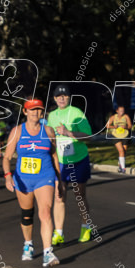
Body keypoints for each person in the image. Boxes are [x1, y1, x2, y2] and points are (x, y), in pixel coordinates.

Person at [4, 98, 62, 267]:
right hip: (23, 179)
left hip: (45, 176)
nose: (36, 113)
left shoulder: (49, 131)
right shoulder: (17, 131)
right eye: (32, 109)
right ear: (25, 111)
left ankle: (47, 253)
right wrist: (8, 176)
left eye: (39, 110)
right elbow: (7, 157)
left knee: (45, 212)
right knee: (27, 214)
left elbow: (54, 155)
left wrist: (59, 180)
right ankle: (28, 244)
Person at [47, 85, 94, 245]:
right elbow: (50, 137)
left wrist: (68, 133)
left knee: (80, 196)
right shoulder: (51, 116)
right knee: (59, 196)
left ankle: (85, 226)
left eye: (65, 95)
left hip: (79, 159)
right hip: (60, 161)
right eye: (58, 96)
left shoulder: (76, 113)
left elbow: (88, 136)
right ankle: (58, 233)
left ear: (69, 97)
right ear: (54, 99)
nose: (61, 98)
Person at [106, 105, 133, 174]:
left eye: (123, 111)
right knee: (121, 151)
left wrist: (126, 127)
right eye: (120, 111)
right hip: (116, 136)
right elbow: (107, 126)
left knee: (124, 151)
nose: (122, 112)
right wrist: (113, 126)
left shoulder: (126, 116)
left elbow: (130, 126)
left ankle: (120, 162)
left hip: (125, 135)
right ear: (117, 111)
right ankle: (123, 168)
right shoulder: (113, 117)